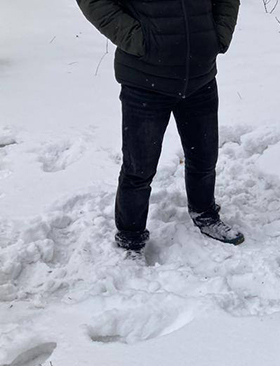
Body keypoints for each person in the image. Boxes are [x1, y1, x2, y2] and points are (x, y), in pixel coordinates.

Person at [76, 0, 244, 254]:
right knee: (139, 167)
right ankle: (130, 236)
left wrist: (218, 35)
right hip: (144, 82)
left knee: (205, 157)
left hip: (200, 78)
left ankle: (205, 213)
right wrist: (138, 39)